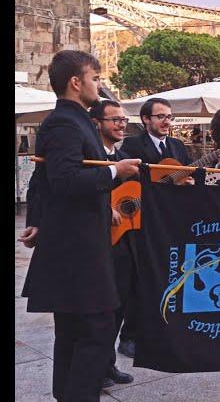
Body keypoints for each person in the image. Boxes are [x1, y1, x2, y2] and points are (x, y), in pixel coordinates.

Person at [19, 50, 140, 402]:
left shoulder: (76, 121)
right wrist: (117, 171)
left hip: (79, 243)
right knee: (96, 329)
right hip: (78, 250)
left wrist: (38, 222)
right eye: (95, 77)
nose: (98, 84)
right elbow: (63, 179)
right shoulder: (63, 123)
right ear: (76, 82)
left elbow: (44, 180)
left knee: (74, 330)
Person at [118, 97, 197, 358]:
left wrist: (187, 182)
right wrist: (164, 182)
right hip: (140, 220)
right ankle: (129, 336)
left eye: (169, 117)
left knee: (167, 276)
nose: (166, 121)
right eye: (161, 116)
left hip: (170, 221)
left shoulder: (177, 146)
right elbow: (127, 180)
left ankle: (159, 329)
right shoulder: (131, 145)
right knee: (138, 279)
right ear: (146, 120)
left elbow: (189, 174)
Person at [88, 100, 137, 389]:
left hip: (123, 244)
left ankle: (107, 365)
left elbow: (143, 193)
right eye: (114, 120)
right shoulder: (89, 156)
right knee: (98, 311)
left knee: (117, 307)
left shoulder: (128, 157)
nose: (120, 124)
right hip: (95, 242)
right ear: (98, 123)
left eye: (123, 120)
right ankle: (95, 368)